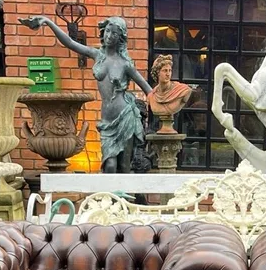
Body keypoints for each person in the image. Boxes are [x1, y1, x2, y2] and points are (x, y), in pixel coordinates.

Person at [21, 14, 151, 173]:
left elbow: (147, 89)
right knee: (109, 166)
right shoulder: (97, 55)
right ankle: (109, 198)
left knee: (124, 167)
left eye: (115, 33)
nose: (109, 36)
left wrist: (166, 102)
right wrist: (48, 22)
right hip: (108, 120)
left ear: (121, 38)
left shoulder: (125, 64)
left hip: (126, 117)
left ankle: (126, 199)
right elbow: (69, 43)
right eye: (108, 31)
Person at [146, 54, 198, 133]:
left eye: (170, 70)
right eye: (165, 70)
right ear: (157, 73)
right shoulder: (151, 96)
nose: (168, 74)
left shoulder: (182, 90)